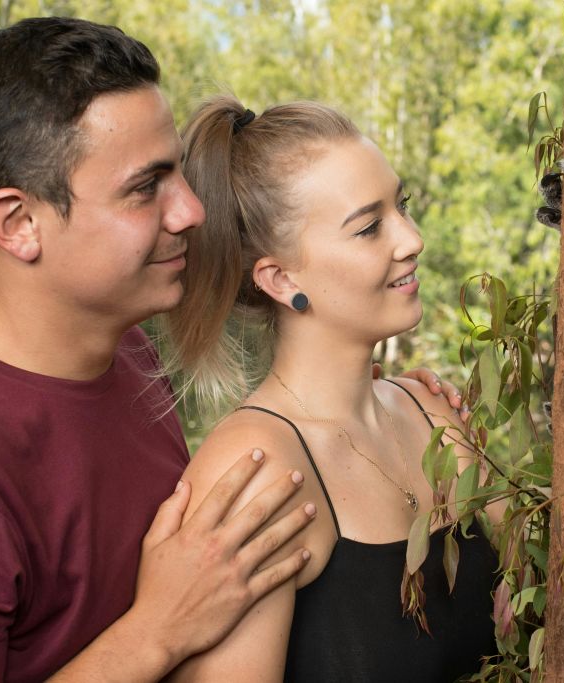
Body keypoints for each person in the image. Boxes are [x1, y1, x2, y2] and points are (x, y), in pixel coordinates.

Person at [0, 17, 463, 681]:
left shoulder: (133, 357)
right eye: (147, 186)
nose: (191, 210)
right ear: (19, 223)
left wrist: (378, 407)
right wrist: (156, 631)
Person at [161, 96, 498, 681]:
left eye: (403, 206)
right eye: (369, 227)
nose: (412, 238)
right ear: (280, 278)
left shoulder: (434, 412)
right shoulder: (256, 471)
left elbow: (553, 589)